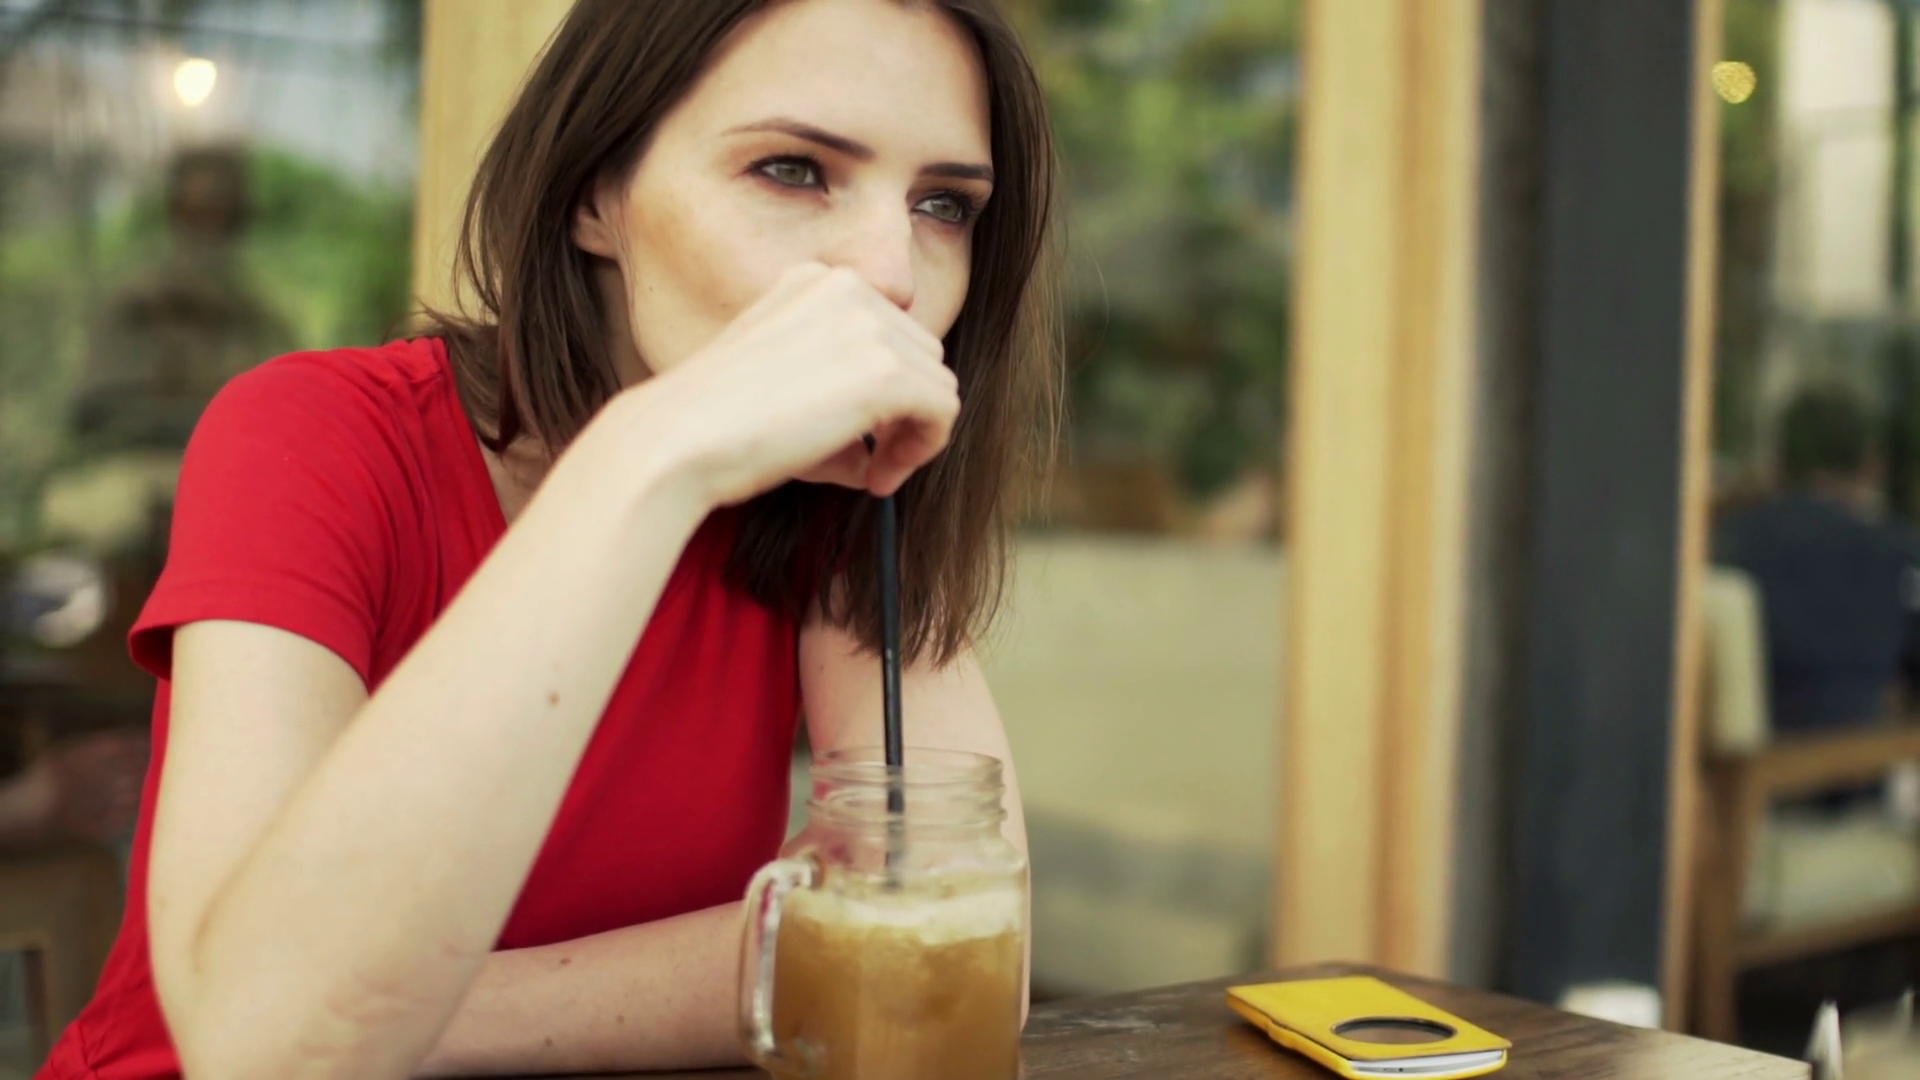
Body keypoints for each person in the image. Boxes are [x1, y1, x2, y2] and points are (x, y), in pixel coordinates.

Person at [41, 1, 1057, 1077]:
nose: (893, 275)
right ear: (594, 195)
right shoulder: (316, 435)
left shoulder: (839, 504)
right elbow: (267, 1042)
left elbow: (952, 958)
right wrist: (652, 456)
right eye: (793, 170)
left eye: (943, 204)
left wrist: (400, 1007)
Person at [1715, 386, 1920, 744]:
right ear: (1872, 464)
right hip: (1862, 764)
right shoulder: (1900, 552)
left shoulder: (1729, 539)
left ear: (1779, 461)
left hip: (1739, 767)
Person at [72, 143, 295, 454]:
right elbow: (95, 410)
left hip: (231, 468)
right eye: (196, 213)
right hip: (137, 465)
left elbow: (285, 417)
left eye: (223, 215)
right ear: (176, 214)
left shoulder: (261, 320)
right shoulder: (134, 307)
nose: (209, 228)